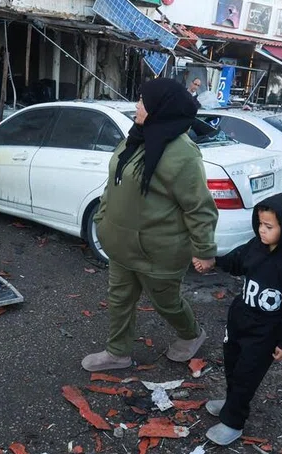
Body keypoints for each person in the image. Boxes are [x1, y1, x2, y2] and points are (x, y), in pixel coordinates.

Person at [82, 78, 218, 372]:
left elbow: (199, 207)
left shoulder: (182, 153)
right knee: (118, 300)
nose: (137, 105)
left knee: (166, 303)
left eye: (143, 101)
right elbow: (114, 182)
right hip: (121, 245)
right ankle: (117, 353)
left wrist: (204, 249)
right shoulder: (137, 136)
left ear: (160, 107)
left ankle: (192, 334)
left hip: (159, 252)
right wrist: (102, 219)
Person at [205, 192, 282, 445]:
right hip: (239, 322)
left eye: (269, 227)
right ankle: (231, 403)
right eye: (260, 224)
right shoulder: (256, 246)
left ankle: (234, 421)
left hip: (265, 333)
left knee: (246, 375)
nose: (262, 231)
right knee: (231, 365)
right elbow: (236, 261)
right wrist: (214, 261)